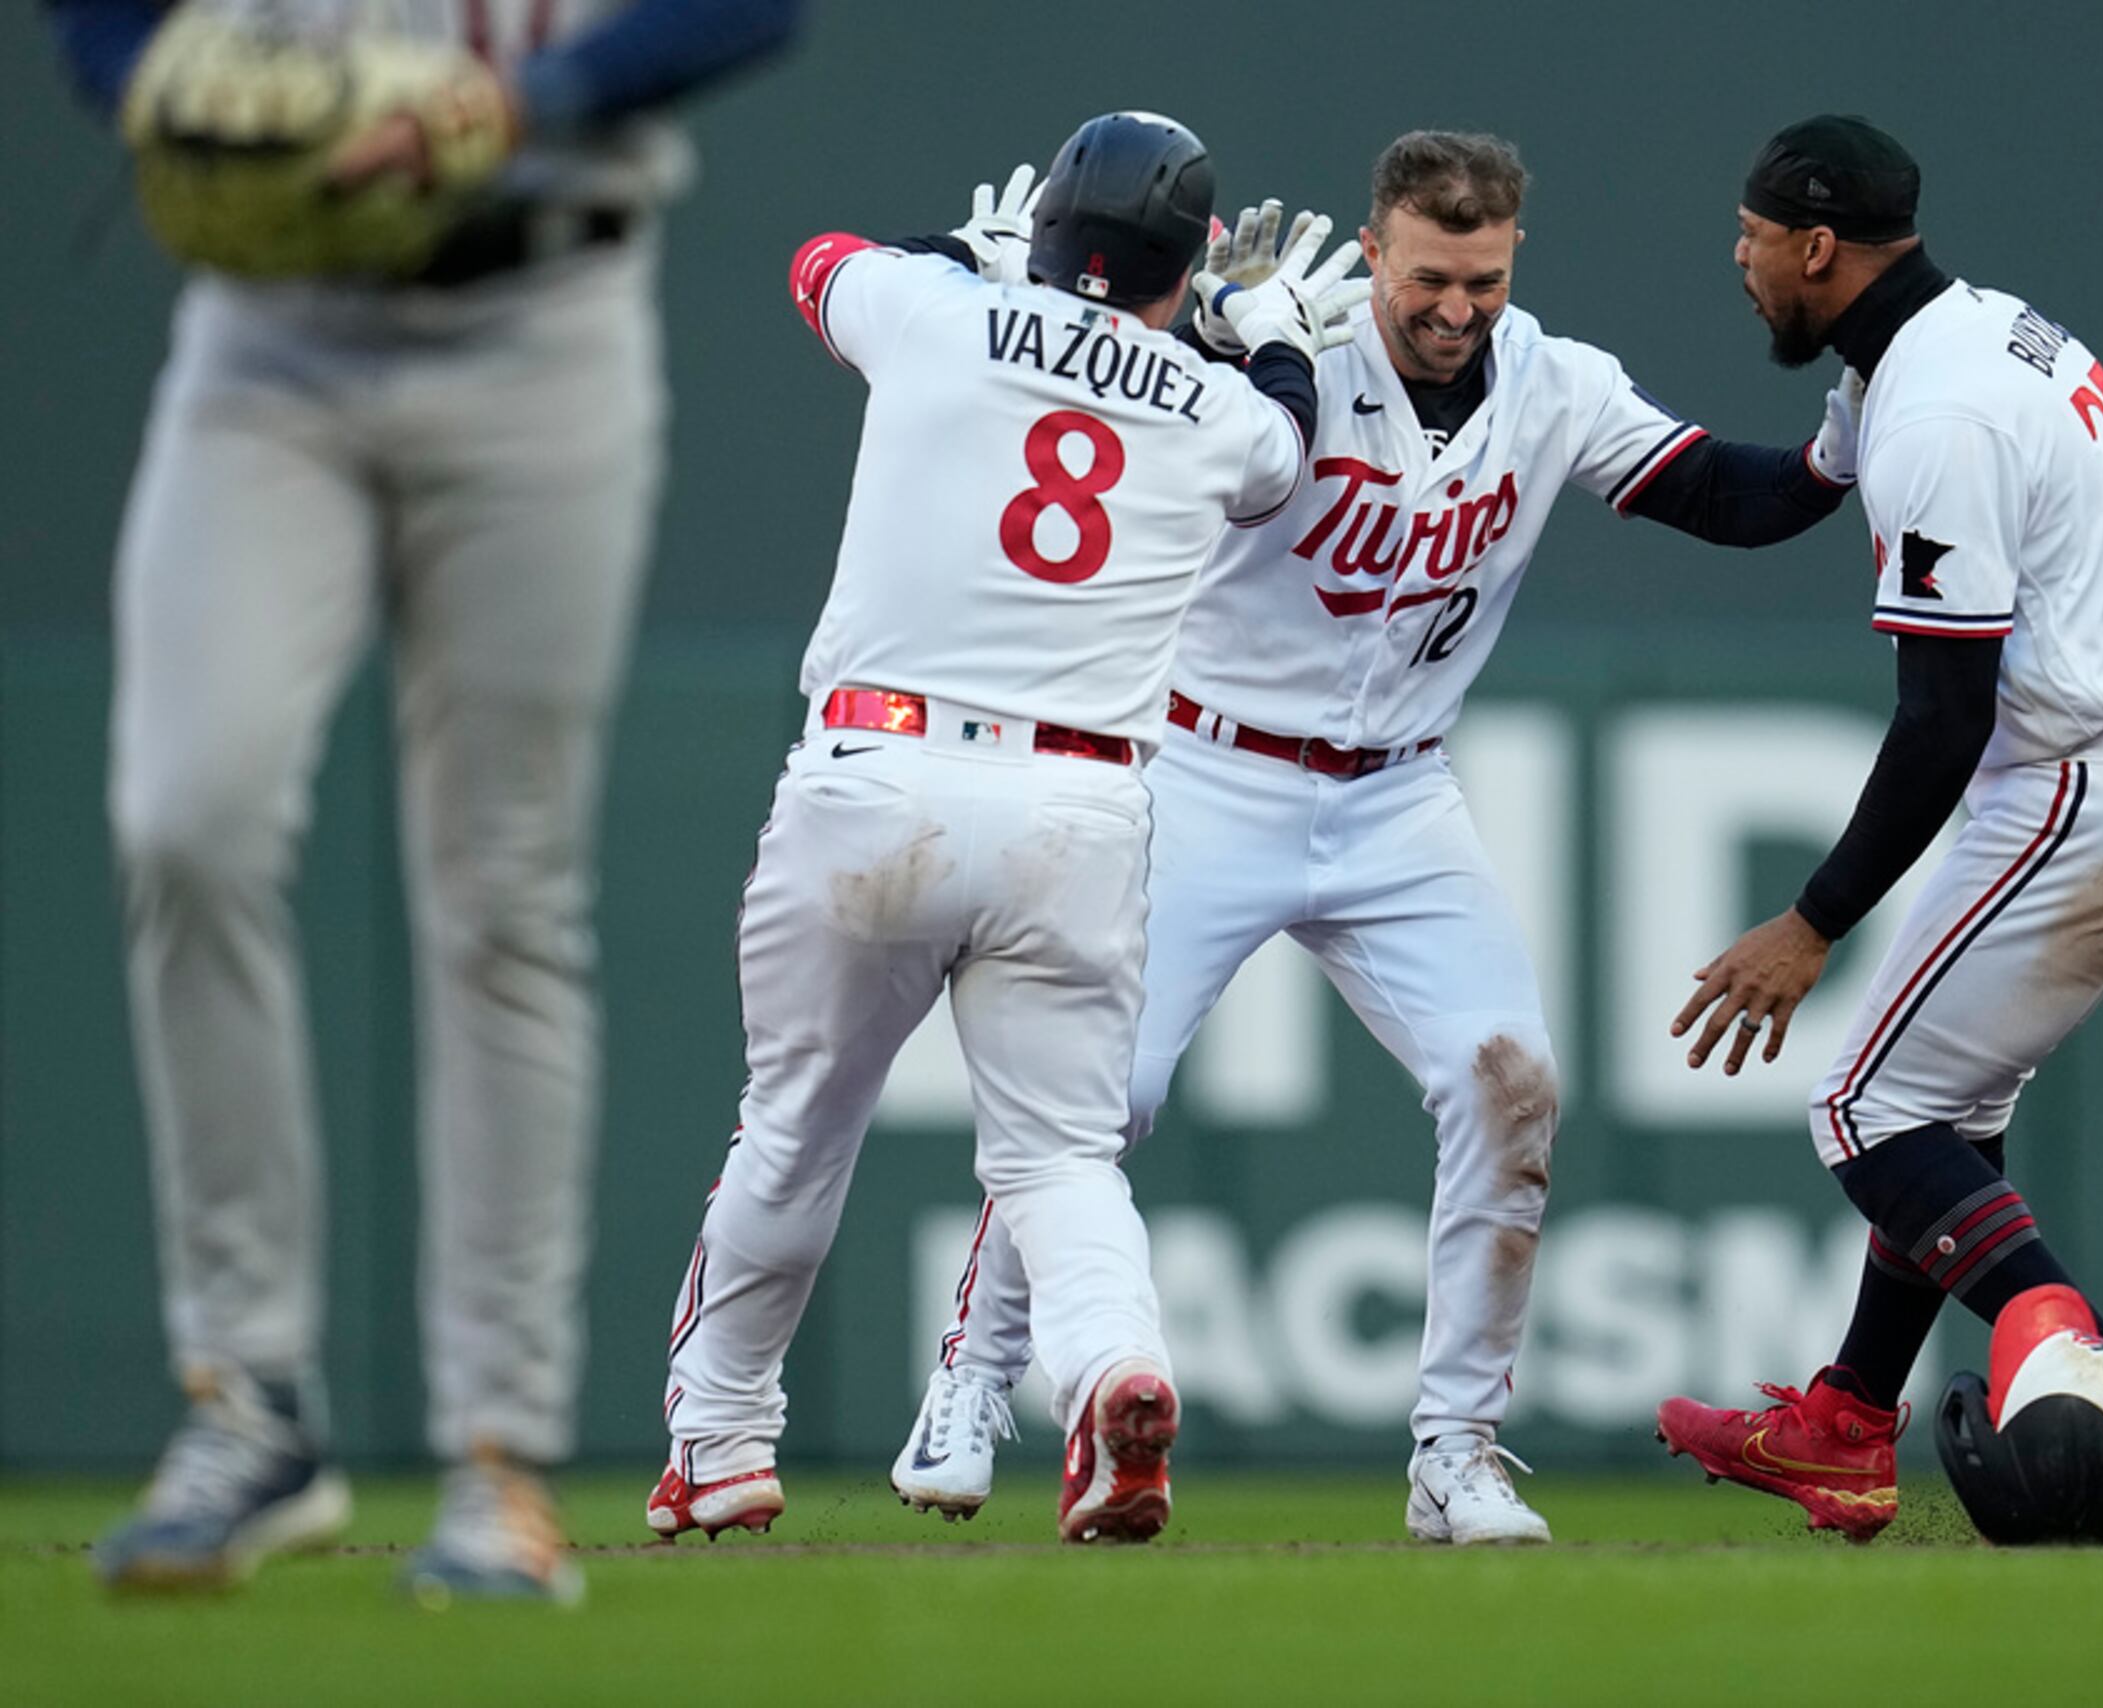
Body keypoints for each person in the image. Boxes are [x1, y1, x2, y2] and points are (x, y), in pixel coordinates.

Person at [890, 131, 1867, 1546]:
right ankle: (975, 1380)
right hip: (1207, 772)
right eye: (1426, 276)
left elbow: (1728, 496)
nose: (1454, 308)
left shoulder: (1552, 382)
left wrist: (1845, 437)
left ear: (1513, 256)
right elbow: (1094, 398)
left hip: (1398, 795)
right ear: (1379, 247)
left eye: (1480, 277)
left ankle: (1454, 1451)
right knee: (1100, 1099)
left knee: (1510, 1086)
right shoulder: (1287, 343)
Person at [54, 0, 804, 1601]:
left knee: (505, 896)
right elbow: (101, 24)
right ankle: (247, 1395)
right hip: (268, 329)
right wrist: (149, 87)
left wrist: (526, 98)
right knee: (184, 817)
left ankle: (497, 1457)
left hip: (541, 311)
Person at [642, 111, 1365, 1548]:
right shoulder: (1213, 401)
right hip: (1074, 807)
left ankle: (723, 1440)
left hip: (879, 773)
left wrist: (960, 255)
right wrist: (1268, 330)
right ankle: (1115, 1371)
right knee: (1057, 1161)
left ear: (1044, 230)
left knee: (793, 1129)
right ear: (1190, 263)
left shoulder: (935, 311)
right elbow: (1284, 451)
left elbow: (816, 264)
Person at [1655, 115, 2103, 1542]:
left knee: (1864, 1110)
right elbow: (1774, 495)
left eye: (1757, 231)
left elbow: (1942, 721)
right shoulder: (1957, 337)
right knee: (1941, 1115)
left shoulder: (1941, 414)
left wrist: (1811, 922)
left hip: (2094, 779)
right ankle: (1846, 1422)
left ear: (1821, 246)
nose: (1741, 254)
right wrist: (1577, 437)